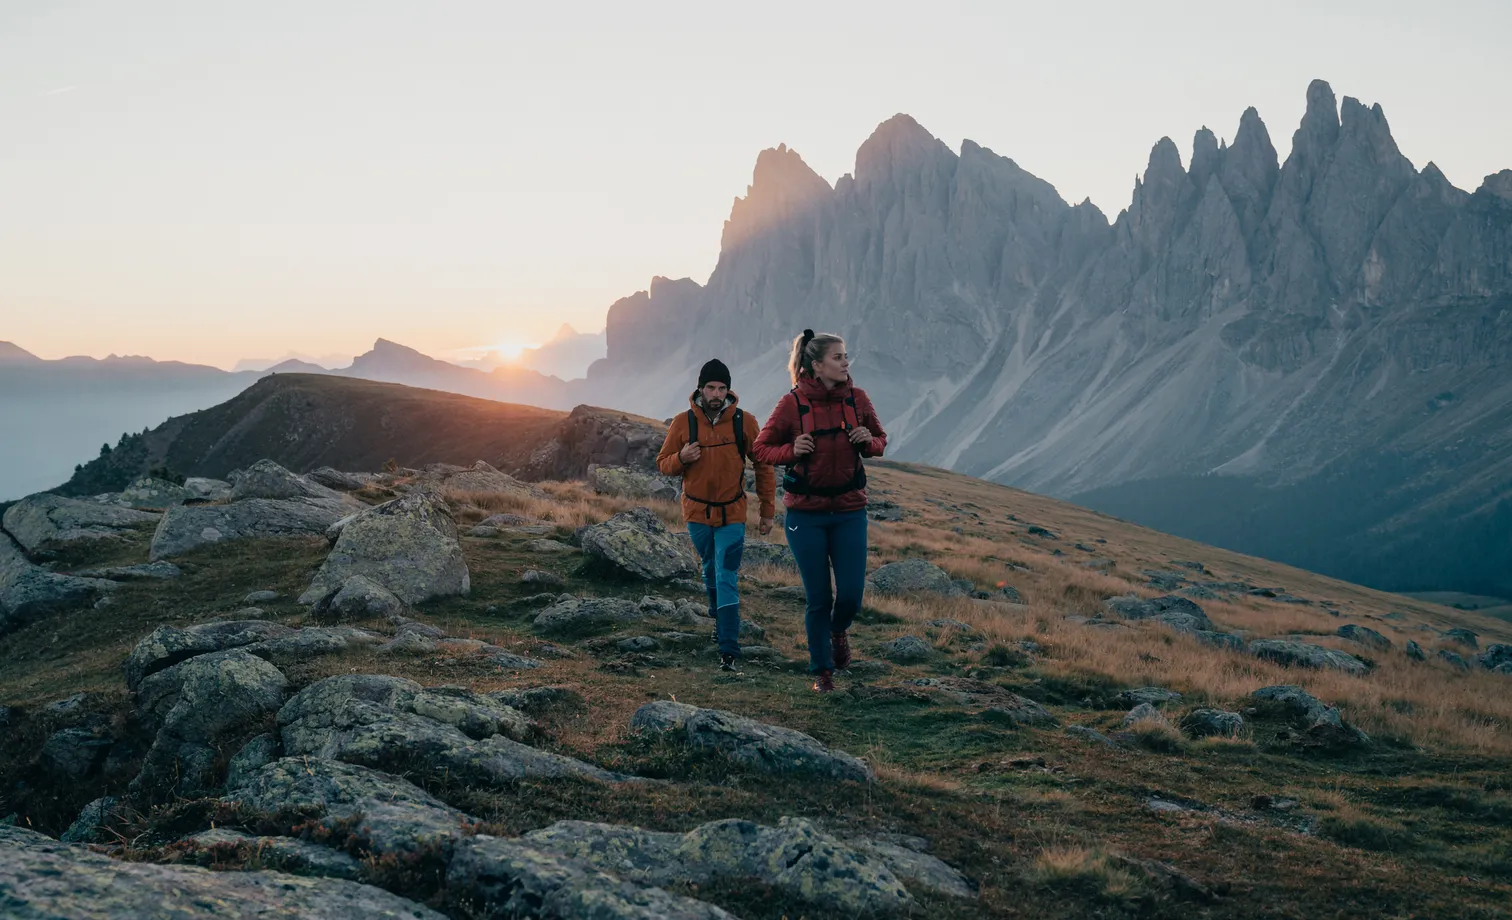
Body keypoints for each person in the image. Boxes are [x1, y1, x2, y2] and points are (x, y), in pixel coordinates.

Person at [753, 330, 886, 692]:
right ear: (817, 365)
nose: (846, 363)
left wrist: (867, 441)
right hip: (805, 516)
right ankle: (822, 673)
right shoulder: (791, 404)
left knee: (849, 597)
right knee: (818, 597)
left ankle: (839, 630)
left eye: (846, 357)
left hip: (849, 512)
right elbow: (762, 449)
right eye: (838, 357)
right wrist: (792, 450)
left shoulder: (858, 399)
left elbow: (881, 441)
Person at [656, 358, 776, 672]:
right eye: (711, 387)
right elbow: (663, 463)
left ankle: (728, 651)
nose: (716, 394)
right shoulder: (683, 422)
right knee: (709, 570)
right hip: (696, 512)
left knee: (726, 575)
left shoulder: (744, 422)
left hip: (733, 514)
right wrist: (681, 457)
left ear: (728, 390)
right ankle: (717, 615)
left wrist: (767, 511)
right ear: (700, 388)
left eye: (722, 388)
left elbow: (763, 465)